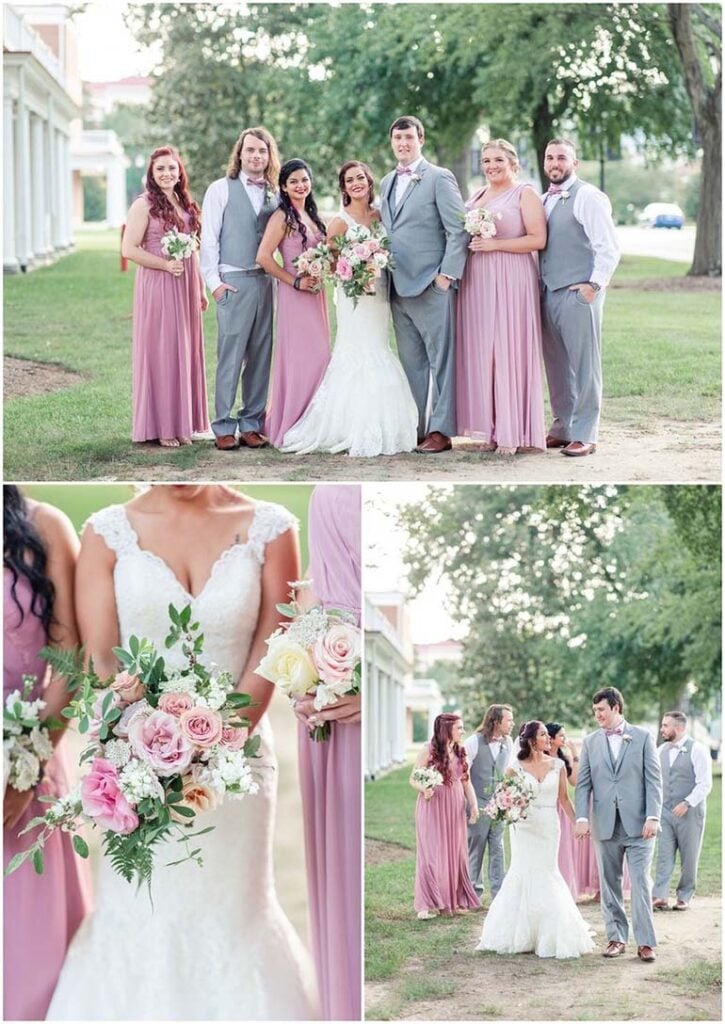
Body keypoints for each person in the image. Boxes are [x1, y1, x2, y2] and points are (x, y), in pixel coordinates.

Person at [46, 485, 317, 1020]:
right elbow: (101, 658)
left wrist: (214, 743)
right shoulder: (108, 531)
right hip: (134, 764)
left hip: (237, 766)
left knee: (235, 917)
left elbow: (271, 646)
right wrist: (145, 745)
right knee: (143, 909)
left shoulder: (271, 525)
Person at [3, 486, 92, 1020]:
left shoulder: (44, 526)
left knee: (33, 968)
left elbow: (71, 657)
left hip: (25, 766)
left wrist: (24, 766)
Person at [280, 162, 417, 456]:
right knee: (357, 350)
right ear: (343, 188)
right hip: (354, 297)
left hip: (379, 294)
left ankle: (385, 423)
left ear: (369, 182)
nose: (356, 184)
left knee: (379, 346)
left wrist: (373, 263)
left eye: (361, 178)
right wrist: (355, 270)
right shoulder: (340, 223)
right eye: (349, 180)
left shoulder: (380, 215)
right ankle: (348, 427)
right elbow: (331, 265)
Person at [290, 486, 362, 1020]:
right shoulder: (325, 491)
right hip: (324, 700)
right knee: (339, 896)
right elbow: (314, 584)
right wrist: (299, 660)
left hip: (360, 696)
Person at [380, 115, 469, 454]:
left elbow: (457, 229)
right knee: (412, 363)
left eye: (408, 138)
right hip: (397, 286)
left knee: (441, 360)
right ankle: (416, 427)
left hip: (432, 286)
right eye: (397, 138)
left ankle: (442, 430)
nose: (403, 143)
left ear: (421, 140)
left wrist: (446, 277)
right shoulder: (387, 181)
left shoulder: (439, 178)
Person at [456, 139, 547, 455]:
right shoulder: (477, 195)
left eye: (497, 160)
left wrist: (496, 245)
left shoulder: (525, 193)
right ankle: (491, 429)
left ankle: (512, 433)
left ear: (513, 163)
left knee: (506, 349)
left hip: (511, 278)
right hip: (477, 281)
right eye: (486, 161)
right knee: (485, 353)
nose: (491, 166)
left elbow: (538, 239)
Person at [477, 721, 595, 959]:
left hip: (549, 826)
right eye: (543, 735)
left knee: (548, 872)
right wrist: (513, 810)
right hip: (524, 827)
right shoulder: (515, 768)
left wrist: (579, 823)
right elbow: (501, 799)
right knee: (522, 872)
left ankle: (549, 932)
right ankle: (519, 932)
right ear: (532, 740)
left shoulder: (558, 765)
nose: (548, 739)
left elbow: (564, 800)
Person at [122, 146, 210, 447]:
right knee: (163, 350)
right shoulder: (143, 204)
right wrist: (164, 264)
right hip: (158, 282)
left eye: (171, 168)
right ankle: (163, 427)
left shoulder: (184, 200)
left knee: (183, 349)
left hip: (184, 283)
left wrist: (198, 286)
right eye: (160, 169)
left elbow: (193, 246)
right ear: (152, 173)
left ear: (179, 171)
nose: (166, 174)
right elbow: (129, 249)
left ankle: (183, 422)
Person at [200, 126, 280, 451]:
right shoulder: (220, 189)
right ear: (240, 153)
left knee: (261, 356)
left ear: (268, 155)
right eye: (250, 150)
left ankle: (251, 423)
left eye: (262, 151)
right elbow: (208, 239)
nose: (256, 156)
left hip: (265, 281)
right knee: (230, 357)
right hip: (233, 282)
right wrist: (215, 285)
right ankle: (222, 425)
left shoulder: (275, 192)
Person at [540, 138, 620, 457]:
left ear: (575, 163)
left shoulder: (588, 196)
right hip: (547, 292)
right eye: (550, 158)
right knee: (557, 366)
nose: (555, 163)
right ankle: (563, 427)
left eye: (562, 157)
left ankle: (586, 432)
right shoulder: (543, 198)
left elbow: (608, 247)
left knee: (585, 366)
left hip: (578, 293)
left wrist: (593, 286)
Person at [574, 686, 662, 963]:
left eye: (601, 709)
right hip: (605, 824)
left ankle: (646, 942)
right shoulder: (590, 742)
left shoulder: (644, 737)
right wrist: (581, 817)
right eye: (595, 711)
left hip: (640, 825)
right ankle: (616, 938)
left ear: (616, 708)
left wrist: (653, 816)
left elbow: (654, 780)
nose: (597, 715)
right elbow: (584, 784)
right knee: (609, 885)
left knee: (640, 883)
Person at [257, 159, 331, 449]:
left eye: (304, 180)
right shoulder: (282, 217)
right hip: (294, 295)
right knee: (303, 358)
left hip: (316, 296)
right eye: (294, 182)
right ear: (284, 187)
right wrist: (295, 281)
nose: (301, 186)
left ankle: (314, 421)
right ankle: (292, 421)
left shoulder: (312, 215)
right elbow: (263, 257)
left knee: (321, 356)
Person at [411, 714, 480, 918]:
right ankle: (425, 904)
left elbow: (466, 782)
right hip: (432, 805)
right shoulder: (428, 750)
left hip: (455, 806)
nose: (463, 731)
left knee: (454, 853)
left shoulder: (461, 751)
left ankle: (451, 900)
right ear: (447, 729)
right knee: (431, 853)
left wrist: (474, 805)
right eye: (459, 728)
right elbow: (414, 777)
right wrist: (424, 789)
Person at [652, 711, 712, 911]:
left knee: (689, 856)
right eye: (662, 725)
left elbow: (705, 784)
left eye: (665, 726)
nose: (662, 730)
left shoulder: (698, 750)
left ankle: (684, 895)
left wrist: (687, 802)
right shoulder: (661, 750)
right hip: (665, 812)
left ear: (677, 728)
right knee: (664, 854)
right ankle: (659, 895)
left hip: (690, 812)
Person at [464, 703, 515, 901]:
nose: (512, 724)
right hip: (477, 802)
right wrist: (472, 803)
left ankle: (498, 895)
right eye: (508, 720)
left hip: (499, 804)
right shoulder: (474, 742)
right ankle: (472, 894)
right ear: (495, 721)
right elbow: (463, 773)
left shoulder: (508, 742)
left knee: (498, 848)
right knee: (476, 848)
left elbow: (507, 771)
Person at [546, 722, 581, 901]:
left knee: (564, 850)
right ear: (550, 738)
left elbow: (574, 781)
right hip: (545, 808)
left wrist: (574, 754)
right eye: (561, 736)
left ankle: (565, 891)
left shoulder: (563, 759)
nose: (564, 739)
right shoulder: (539, 758)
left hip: (562, 809)